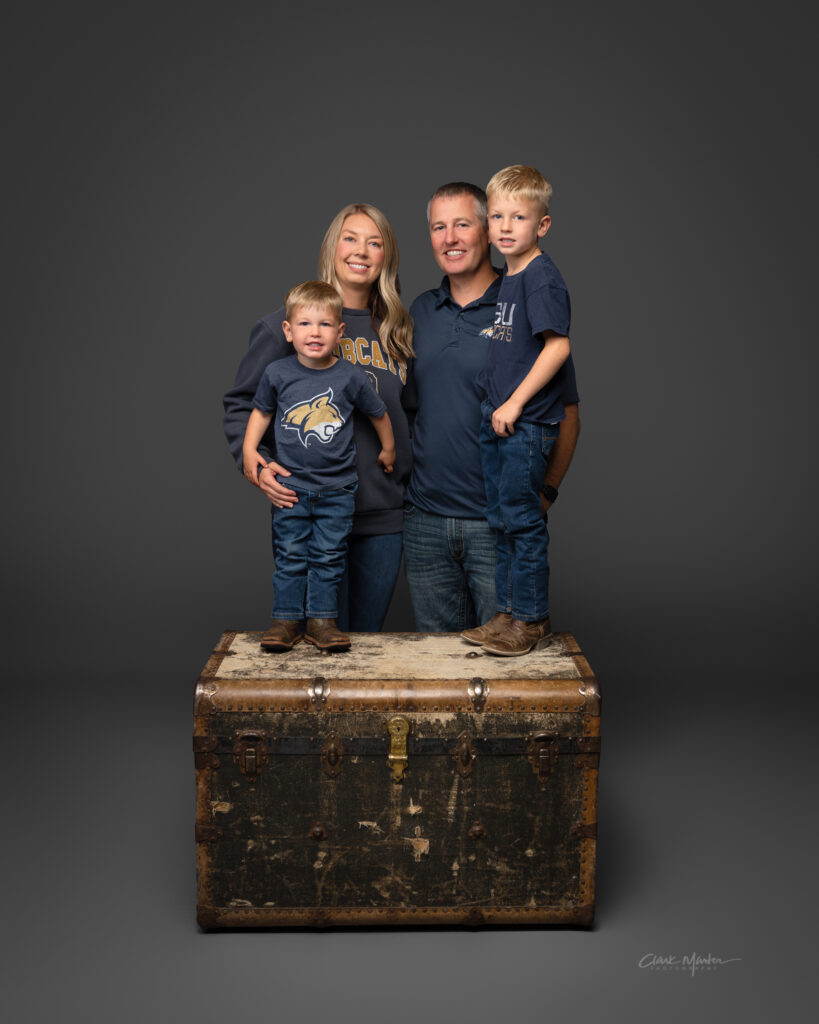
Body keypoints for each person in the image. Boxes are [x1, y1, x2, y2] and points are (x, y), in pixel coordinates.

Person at [224, 204, 414, 635]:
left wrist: (403, 472)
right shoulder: (289, 325)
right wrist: (256, 465)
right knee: (312, 645)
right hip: (310, 503)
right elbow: (243, 404)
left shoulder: (396, 329)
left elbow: (408, 414)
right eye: (350, 237)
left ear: (387, 256)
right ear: (332, 246)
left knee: (360, 647)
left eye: (375, 241)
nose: (361, 250)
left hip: (382, 516)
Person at [403, 181, 580, 636]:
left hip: (492, 523)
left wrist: (546, 495)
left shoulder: (520, 302)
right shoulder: (418, 313)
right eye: (438, 227)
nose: (450, 238)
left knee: (507, 676)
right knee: (438, 676)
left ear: (487, 231)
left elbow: (567, 413)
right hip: (424, 525)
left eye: (462, 224)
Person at [243, 281, 395, 652]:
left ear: (339, 332)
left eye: (325, 325)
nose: (315, 333)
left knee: (328, 558)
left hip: (338, 490)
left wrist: (388, 448)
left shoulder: (349, 376)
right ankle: (286, 621)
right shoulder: (277, 373)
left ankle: (322, 622)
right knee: (291, 556)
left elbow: (379, 413)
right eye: (306, 324)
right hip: (291, 489)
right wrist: (250, 451)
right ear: (288, 331)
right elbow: (260, 413)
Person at [464, 165, 570, 656]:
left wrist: (513, 401)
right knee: (501, 520)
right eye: (497, 216)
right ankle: (506, 615)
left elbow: (558, 348)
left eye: (519, 217)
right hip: (500, 420)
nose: (505, 227)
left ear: (541, 225)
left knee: (523, 523)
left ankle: (531, 620)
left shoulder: (541, 278)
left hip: (525, 424)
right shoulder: (513, 275)